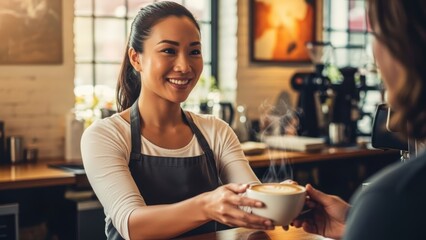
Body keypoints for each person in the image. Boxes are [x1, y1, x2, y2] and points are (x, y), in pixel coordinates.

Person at [81, 2, 275, 239]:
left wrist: (284, 199)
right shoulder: (105, 136)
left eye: (194, 51)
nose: (184, 66)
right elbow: (132, 224)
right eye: (169, 51)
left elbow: (252, 204)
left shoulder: (216, 131)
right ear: (136, 58)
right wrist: (206, 206)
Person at [291, 0, 426, 239]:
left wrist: (373, 216)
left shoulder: (393, 199)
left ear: (404, 49)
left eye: (376, 34)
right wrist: (356, 221)